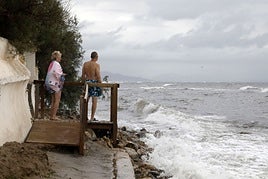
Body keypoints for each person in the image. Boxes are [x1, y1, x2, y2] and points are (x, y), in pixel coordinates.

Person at [81, 51, 102, 122]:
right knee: (94, 101)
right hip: (94, 83)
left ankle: (84, 116)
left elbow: (83, 75)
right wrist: (100, 83)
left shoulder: (85, 64)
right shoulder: (96, 65)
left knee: (86, 100)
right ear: (96, 57)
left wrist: (84, 83)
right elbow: (98, 75)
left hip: (87, 82)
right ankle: (92, 117)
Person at [45, 51, 65, 120]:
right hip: (54, 83)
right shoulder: (56, 64)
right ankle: (53, 116)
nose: (60, 58)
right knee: (57, 99)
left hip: (49, 83)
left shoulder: (52, 63)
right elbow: (57, 73)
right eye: (60, 57)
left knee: (53, 99)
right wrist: (62, 75)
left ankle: (51, 115)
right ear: (56, 57)